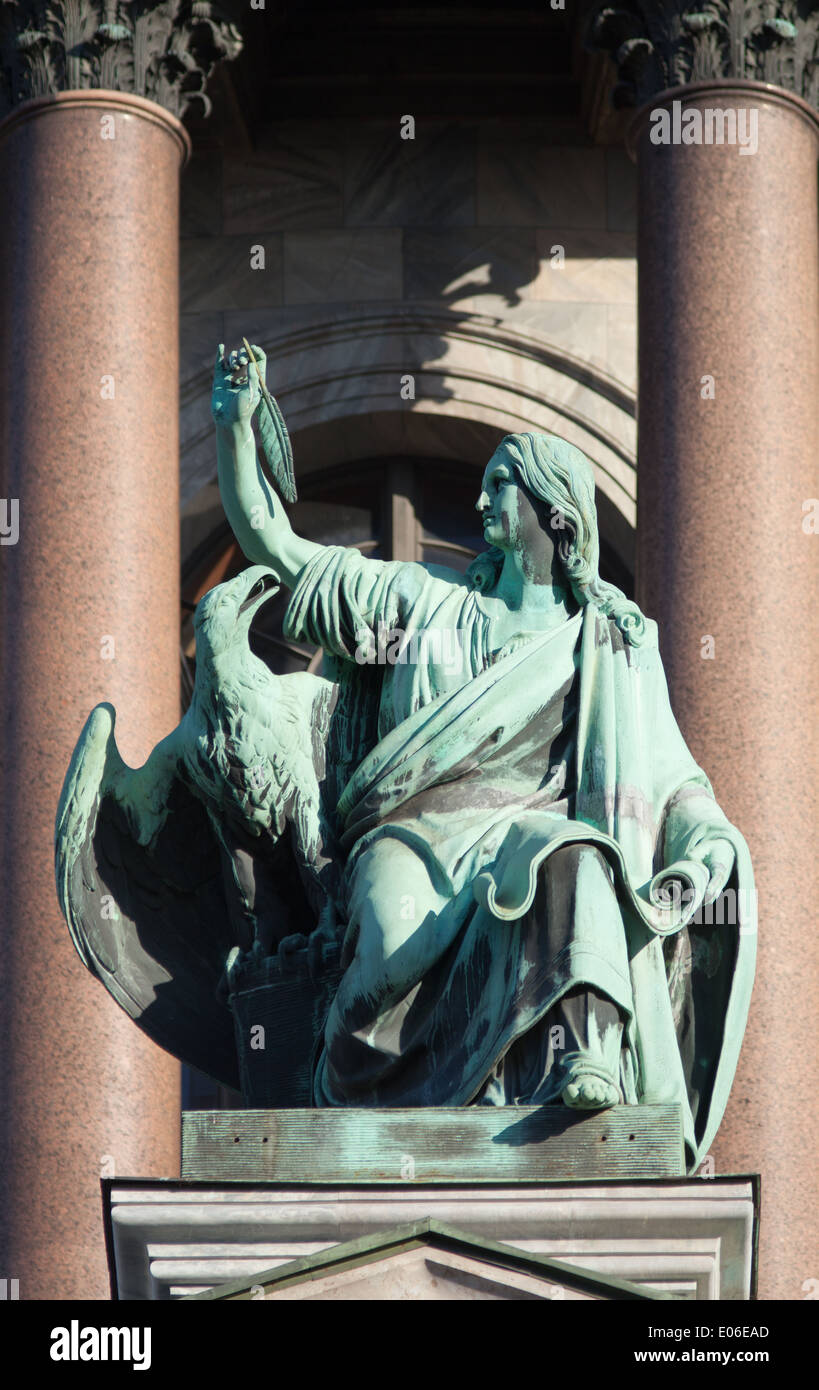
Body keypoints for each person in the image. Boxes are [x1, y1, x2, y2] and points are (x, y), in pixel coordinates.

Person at [212, 344, 755, 1169]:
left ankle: (586, 1055)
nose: (477, 496)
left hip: (531, 843)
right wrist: (235, 427)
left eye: (499, 482)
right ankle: (359, 1093)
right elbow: (273, 543)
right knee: (387, 954)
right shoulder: (419, 606)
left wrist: (709, 846)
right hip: (414, 839)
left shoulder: (605, 644)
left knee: (568, 851)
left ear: (553, 513)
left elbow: (669, 777)